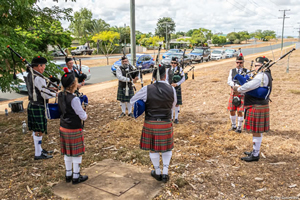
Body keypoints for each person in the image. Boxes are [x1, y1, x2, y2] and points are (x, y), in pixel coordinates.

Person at [130, 65, 177, 183]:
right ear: (165, 76)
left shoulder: (147, 89)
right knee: (167, 148)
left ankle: (157, 172)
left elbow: (132, 101)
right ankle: (165, 173)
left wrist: (143, 104)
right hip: (166, 122)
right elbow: (173, 105)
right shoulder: (172, 89)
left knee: (153, 148)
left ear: (153, 76)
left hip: (151, 122)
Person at [233, 56, 272, 162]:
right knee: (257, 131)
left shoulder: (262, 76)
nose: (255, 67)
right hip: (258, 105)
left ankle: (255, 155)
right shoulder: (263, 74)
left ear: (264, 66)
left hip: (257, 106)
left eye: (258, 65)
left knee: (256, 131)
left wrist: (239, 89)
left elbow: (250, 85)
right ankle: (255, 151)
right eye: (255, 65)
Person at [58, 68, 88, 184]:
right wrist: (85, 113)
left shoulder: (60, 95)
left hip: (63, 127)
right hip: (74, 128)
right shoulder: (74, 99)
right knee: (76, 153)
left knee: (67, 152)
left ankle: (68, 174)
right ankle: (76, 176)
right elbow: (82, 116)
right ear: (73, 84)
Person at [25, 56, 57, 160]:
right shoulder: (38, 78)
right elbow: (45, 94)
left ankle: (38, 149)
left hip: (32, 104)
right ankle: (38, 154)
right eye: (43, 66)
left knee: (36, 129)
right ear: (39, 66)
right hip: (38, 105)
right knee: (39, 130)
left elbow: (39, 89)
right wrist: (55, 93)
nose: (44, 68)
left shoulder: (30, 74)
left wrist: (50, 89)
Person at [227, 53, 248, 133]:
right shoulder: (232, 71)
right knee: (232, 110)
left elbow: (248, 81)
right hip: (234, 92)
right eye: (237, 62)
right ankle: (233, 125)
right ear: (235, 62)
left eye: (241, 62)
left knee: (240, 111)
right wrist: (236, 86)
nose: (239, 64)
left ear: (243, 63)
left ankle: (239, 127)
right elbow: (229, 81)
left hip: (242, 93)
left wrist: (241, 87)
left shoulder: (247, 71)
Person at [165, 57, 185, 124]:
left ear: (177, 64)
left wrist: (177, 84)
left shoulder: (180, 69)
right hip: (170, 87)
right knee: (170, 103)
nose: (173, 64)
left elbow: (183, 78)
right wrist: (169, 85)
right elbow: (166, 79)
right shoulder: (168, 70)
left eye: (174, 63)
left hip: (177, 88)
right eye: (172, 63)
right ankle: (170, 118)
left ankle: (176, 118)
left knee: (177, 104)